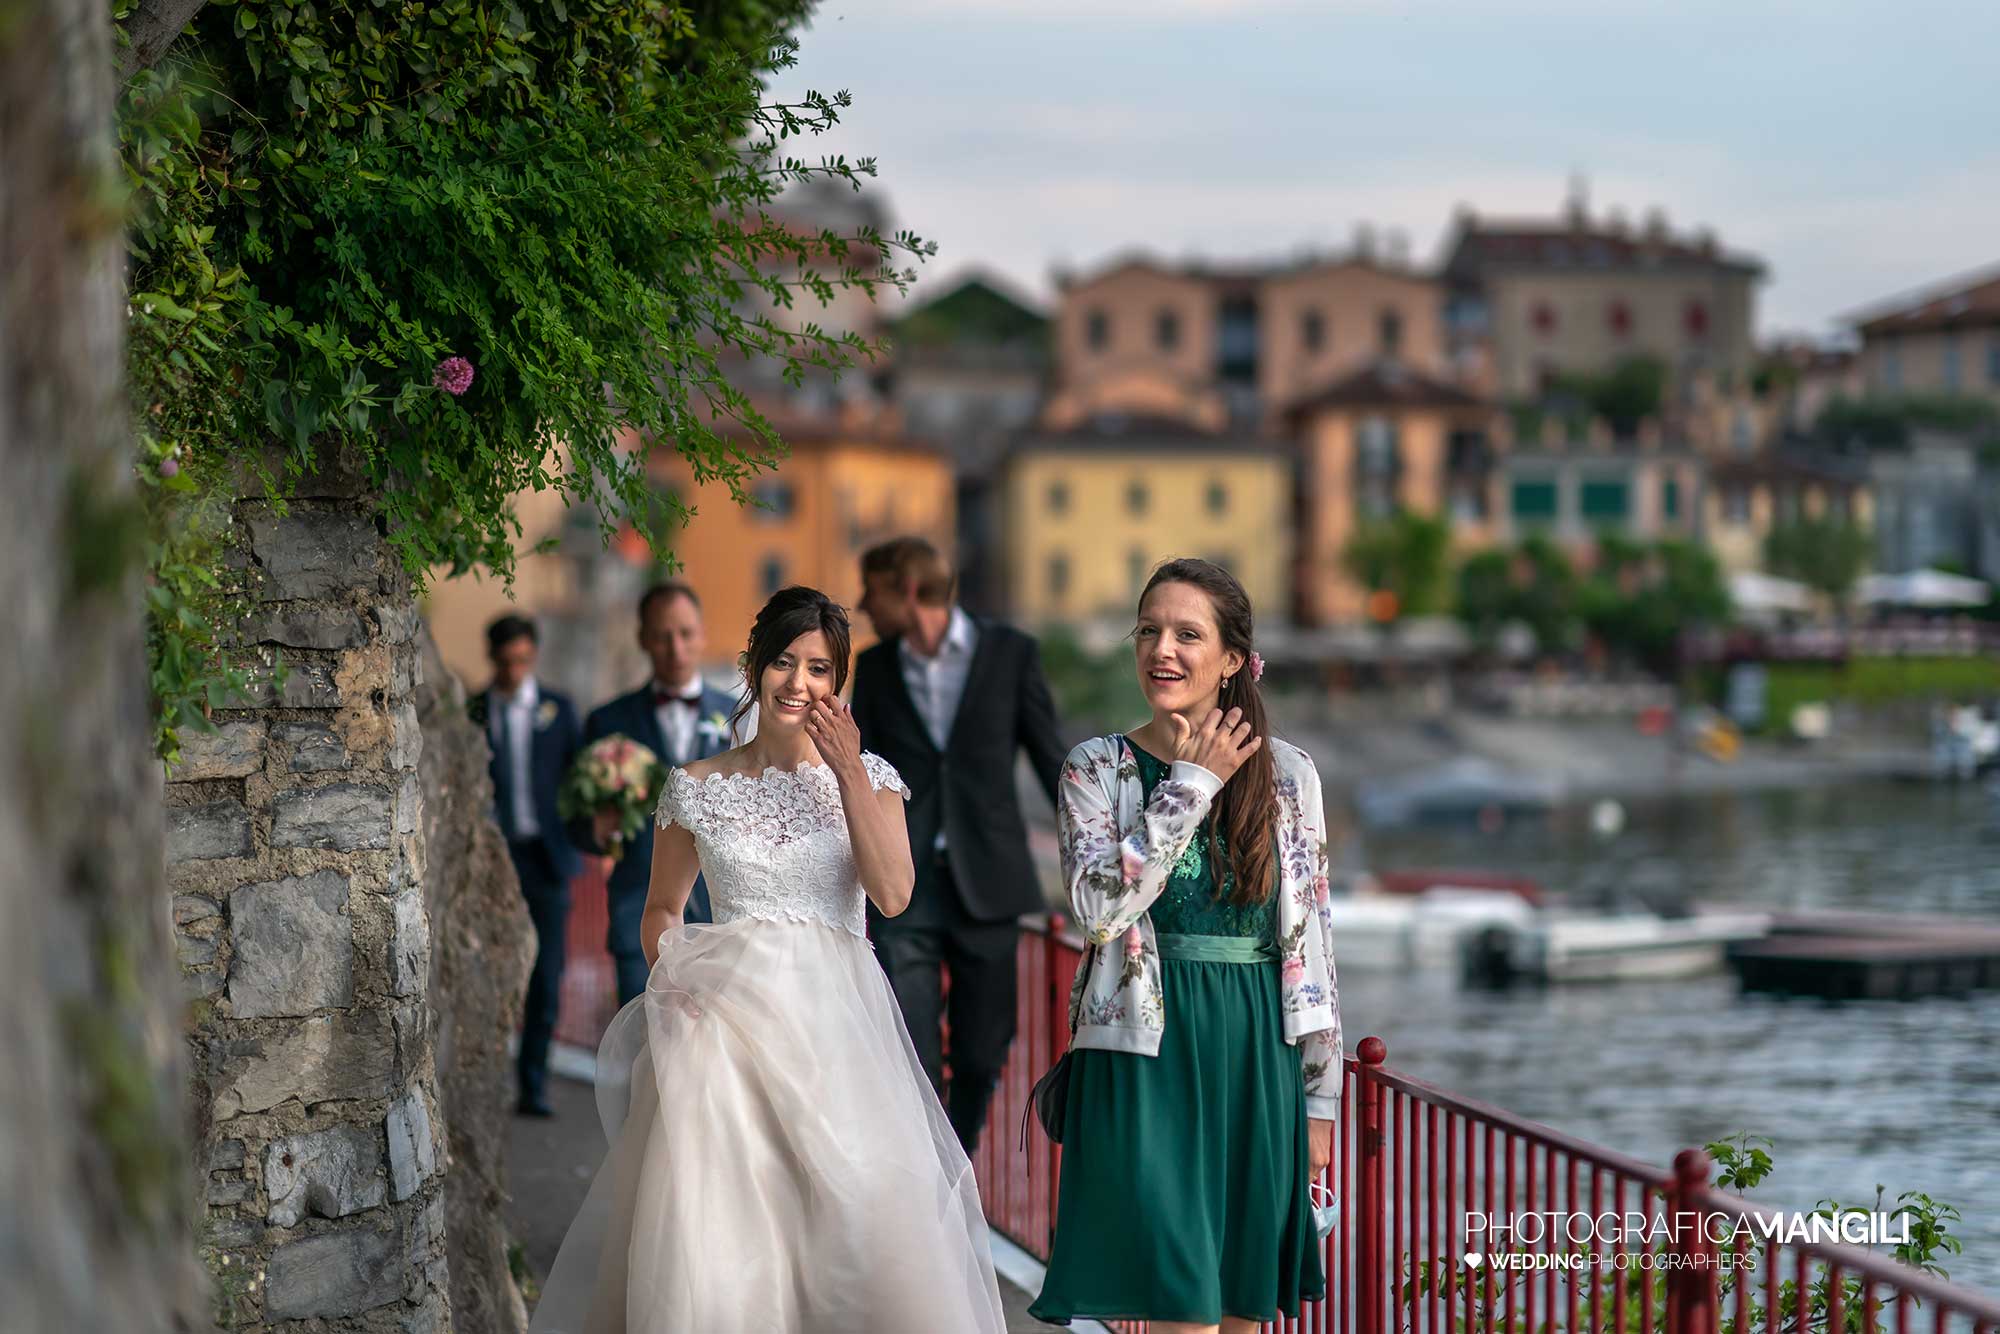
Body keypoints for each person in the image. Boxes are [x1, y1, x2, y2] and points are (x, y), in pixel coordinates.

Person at [528, 586, 1005, 1334]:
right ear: (753, 665)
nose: (799, 684)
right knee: (729, 1232)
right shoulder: (696, 788)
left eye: (819, 669)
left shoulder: (874, 780)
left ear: (838, 681)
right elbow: (662, 910)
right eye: (783, 662)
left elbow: (894, 895)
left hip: (838, 1030)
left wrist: (848, 772)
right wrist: (674, 973)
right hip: (725, 1031)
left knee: (852, 1217)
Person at [1030, 558, 1341, 1334]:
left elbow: (1315, 945)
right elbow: (1100, 909)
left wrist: (1322, 1096)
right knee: (1181, 1307)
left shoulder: (1291, 776)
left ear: (1233, 659)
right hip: (1145, 1056)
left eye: (1187, 634)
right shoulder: (1096, 768)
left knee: (1240, 1310)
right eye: (1148, 630)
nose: (1161, 649)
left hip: (1256, 1053)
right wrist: (1191, 783)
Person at [850, 535, 1067, 1155]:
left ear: (909, 590)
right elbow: (864, 770)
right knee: (912, 1048)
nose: (864, 604)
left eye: (873, 589)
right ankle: (926, 1176)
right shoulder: (878, 665)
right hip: (905, 881)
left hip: (991, 878)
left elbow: (1050, 755)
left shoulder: (1012, 654)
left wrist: (1103, 847)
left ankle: (958, 1157)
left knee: (981, 1052)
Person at [577, 580, 741, 1005]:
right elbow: (574, 820)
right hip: (637, 907)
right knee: (645, 1045)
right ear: (643, 639)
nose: (675, 647)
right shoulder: (607, 722)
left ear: (702, 634)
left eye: (685, 633)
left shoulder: (739, 718)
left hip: (723, 915)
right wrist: (599, 831)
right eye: (663, 635)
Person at [472, 614, 584, 1119]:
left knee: (547, 970)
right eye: (505, 661)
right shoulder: (471, 711)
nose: (514, 670)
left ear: (533, 656)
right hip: (491, 858)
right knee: (487, 967)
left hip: (545, 856)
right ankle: (482, 1079)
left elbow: (579, 781)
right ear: (491, 658)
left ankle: (533, 1084)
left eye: (522, 660)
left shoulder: (559, 710)